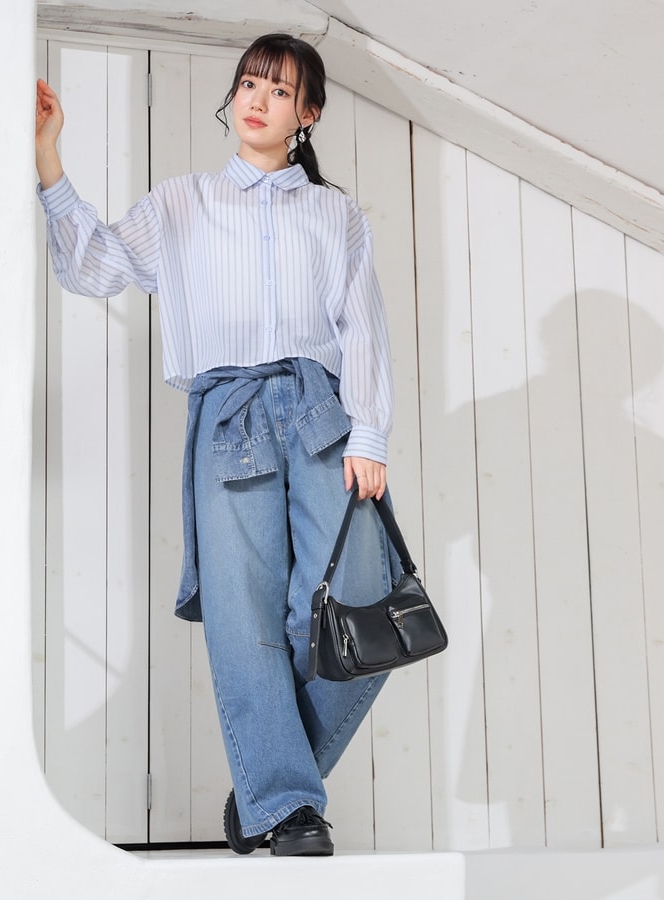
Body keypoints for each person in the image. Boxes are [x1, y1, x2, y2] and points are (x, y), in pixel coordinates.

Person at [36, 32, 397, 858]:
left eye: (280, 90)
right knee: (244, 618)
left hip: (321, 410)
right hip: (228, 413)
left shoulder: (336, 214)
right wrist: (49, 157)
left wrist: (370, 433)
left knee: (362, 607)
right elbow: (93, 267)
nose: (257, 100)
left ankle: (268, 788)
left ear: (307, 114)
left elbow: (362, 328)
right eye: (248, 84)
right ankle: (289, 807)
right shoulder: (181, 203)